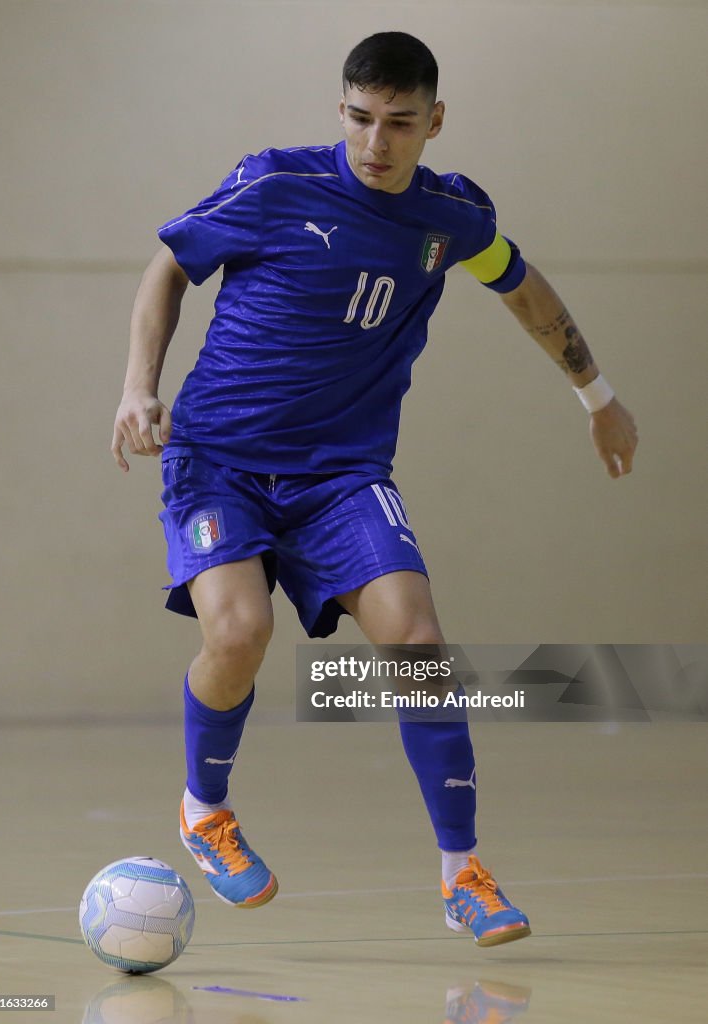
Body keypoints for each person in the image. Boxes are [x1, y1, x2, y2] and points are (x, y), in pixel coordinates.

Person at [111, 31, 637, 948]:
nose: (375, 143)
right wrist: (137, 387)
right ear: (340, 111)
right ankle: (205, 811)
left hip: (343, 475)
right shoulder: (276, 185)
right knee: (239, 634)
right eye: (359, 119)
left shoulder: (453, 219)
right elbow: (169, 265)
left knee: (418, 640)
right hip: (218, 460)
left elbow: (521, 287)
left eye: (399, 123)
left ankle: (462, 874)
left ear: (435, 122)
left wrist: (596, 393)